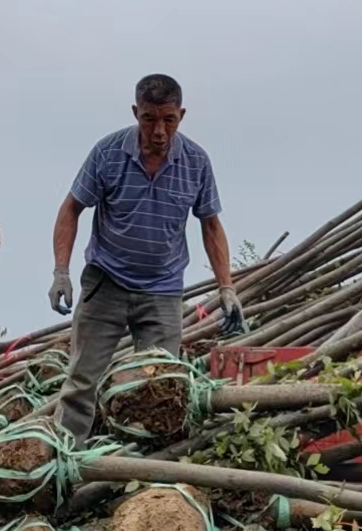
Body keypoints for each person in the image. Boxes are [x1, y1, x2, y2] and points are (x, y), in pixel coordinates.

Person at [47, 74, 243, 438]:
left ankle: (140, 475)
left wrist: (227, 287)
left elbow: (211, 225)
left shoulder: (196, 162)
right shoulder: (108, 153)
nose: (159, 130)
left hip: (163, 290)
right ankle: (66, 461)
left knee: (157, 386)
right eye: (149, 118)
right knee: (81, 382)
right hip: (106, 281)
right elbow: (71, 208)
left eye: (169, 119)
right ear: (136, 112)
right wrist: (62, 271)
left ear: (181, 115)